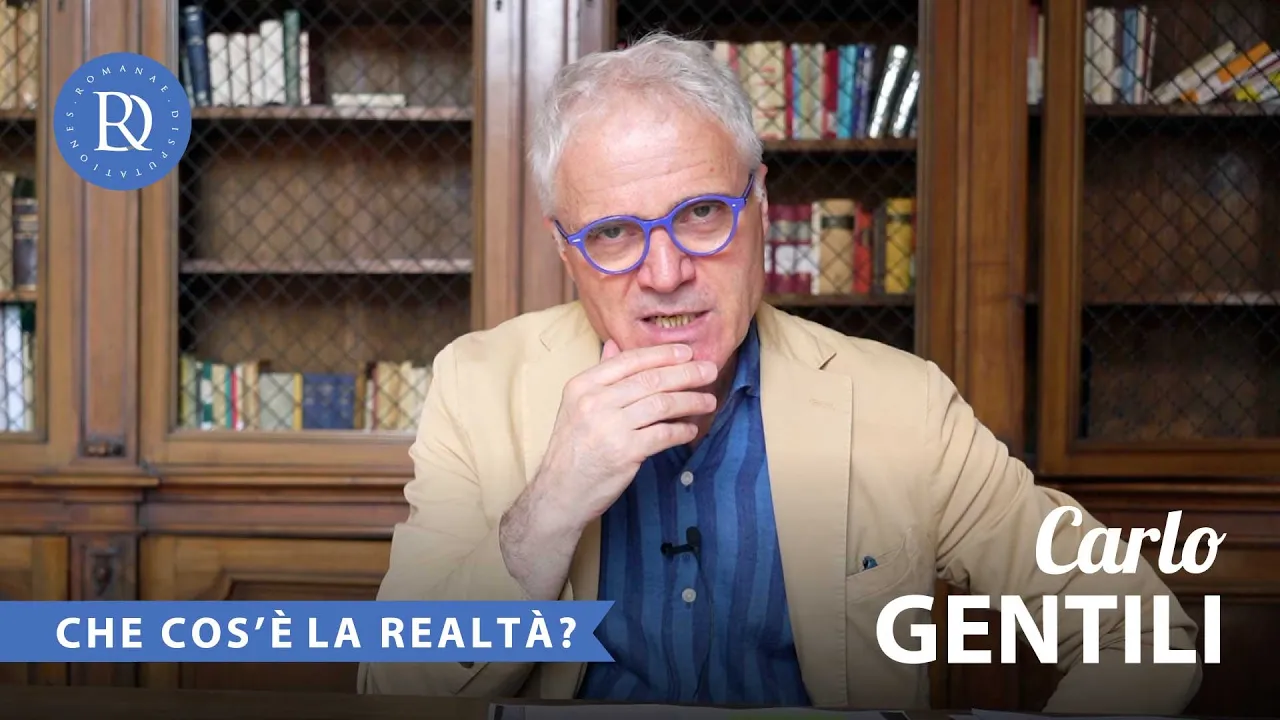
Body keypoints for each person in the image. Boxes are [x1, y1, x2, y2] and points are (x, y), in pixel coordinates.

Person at [357, 32, 1200, 712]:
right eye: (613, 233)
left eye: (701, 214)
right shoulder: (477, 386)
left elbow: (1141, 633)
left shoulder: (901, 405)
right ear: (564, 249)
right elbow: (393, 688)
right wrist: (551, 502)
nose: (664, 274)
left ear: (760, 204)